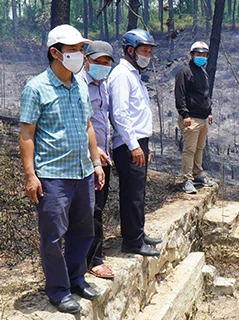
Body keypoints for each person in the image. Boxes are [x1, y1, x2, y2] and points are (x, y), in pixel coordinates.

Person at [19, 24, 105, 314]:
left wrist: (95, 162)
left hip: (81, 171)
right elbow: (27, 134)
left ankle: (76, 278)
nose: (79, 54)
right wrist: (31, 175)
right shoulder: (36, 88)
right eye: (73, 50)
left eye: (81, 49)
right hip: (53, 174)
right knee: (53, 235)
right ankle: (58, 289)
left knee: (83, 230)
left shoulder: (80, 84)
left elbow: (88, 125)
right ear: (55, 52)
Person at [108, 29, 162, 257]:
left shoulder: (134, 74)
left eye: (149, 52)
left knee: (138, 192)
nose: (147, 55)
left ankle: (137, 233)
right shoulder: (121, 74)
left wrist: (142, 144)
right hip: (128, 143)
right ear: (130, 50)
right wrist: (133, 145)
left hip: (138, 140)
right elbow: (120, 113)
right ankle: (131, 241)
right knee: (131, 192)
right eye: (144, 50)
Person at [76, 41, 115, 279]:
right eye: (97, 62)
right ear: (86, 60)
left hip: (103, 155)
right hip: (86, 156)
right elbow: (81, 123)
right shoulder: (78, 85)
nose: (102, 66)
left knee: (98, 205)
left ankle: (93, 253)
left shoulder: (103, 85)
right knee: (89, 208)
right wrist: (94, 152)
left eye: (106, 63)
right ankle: (92, 260)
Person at [174, 41, 214, 194]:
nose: (202, 57)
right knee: (189, 149)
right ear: (191, 55)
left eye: (204, 55)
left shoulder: (203, 73)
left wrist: (209, 112)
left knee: (199, 148)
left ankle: (198, 174)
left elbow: (205, 95)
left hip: (202, 118)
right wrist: (185, 114)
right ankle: (187, 179)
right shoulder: (185, 72)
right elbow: (180, 95)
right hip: (191, 118)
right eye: (199, 54)